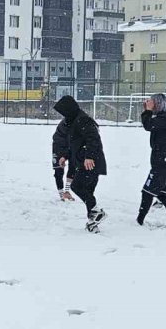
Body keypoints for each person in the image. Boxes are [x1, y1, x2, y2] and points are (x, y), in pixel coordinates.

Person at [53, 95, 107, 233]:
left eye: (63, 112)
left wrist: (89, 156)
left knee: (77, 186)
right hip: (84, 161)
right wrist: (64, 156)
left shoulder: (83, 120)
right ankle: (92, 223)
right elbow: (74, 144)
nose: (63, 115)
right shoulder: (73, 121)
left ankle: (96, 212)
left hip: (90, 162)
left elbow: (93, 139)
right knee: (88, 192)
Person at [137, 93, 166, 228]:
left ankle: (139, 221)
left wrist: (148, 111)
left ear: (158, 104)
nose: (149, 104)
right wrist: (148, 111)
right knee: (162, 193)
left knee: (147, 192)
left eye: (151, 102)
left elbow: (148, 125)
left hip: (165, 163)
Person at [52, 115, 76, 201]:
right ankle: (62, 194)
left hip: (70, 146)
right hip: (59, 146)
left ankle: (67, 192)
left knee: (73, 167)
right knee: (59, 170)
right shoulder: (67, 122)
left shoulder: (79, 122)